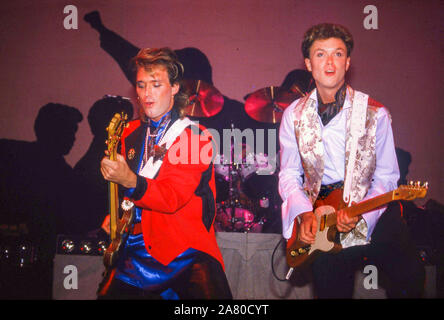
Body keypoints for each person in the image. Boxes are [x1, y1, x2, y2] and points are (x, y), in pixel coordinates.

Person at [278, 23, 425, 298]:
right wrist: (303, 214)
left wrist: (362, 215)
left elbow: (387, 176)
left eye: (338, 53)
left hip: (374, 210)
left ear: (348, 62)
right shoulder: (292, 115)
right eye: (320, 54)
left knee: (411, 279)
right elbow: (288, 174)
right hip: (323, 220)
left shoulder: (375, 112)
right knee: (331, 290)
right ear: (309, 64)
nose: (330, 62)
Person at [98, 47, 232, 299]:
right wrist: (116, 214)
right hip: (135, 250)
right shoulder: (130, 133)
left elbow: (171, 198)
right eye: (141, 85)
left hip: (183, 252)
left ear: (174, 88)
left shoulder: (195, 138)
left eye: (156, 84)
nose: (147, 93)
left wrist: (128, 179)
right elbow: (133, 193)